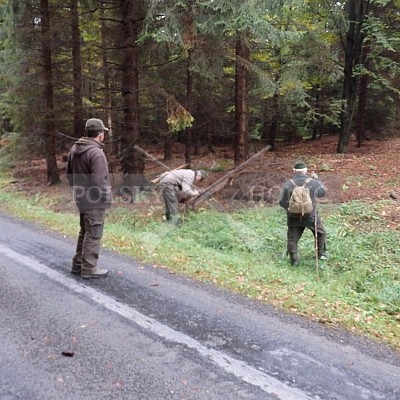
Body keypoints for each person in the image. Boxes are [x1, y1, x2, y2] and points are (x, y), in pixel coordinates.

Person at [66, 118, 111, 279]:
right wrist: (107, 198)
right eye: (103, 133)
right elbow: (100, 181)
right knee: (94, 232)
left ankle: (77, 265)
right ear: (100, 135)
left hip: (81, 198)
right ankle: (89, 268)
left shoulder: (74, 149)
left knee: (84, 231)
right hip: (94, 200)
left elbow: (69, 175)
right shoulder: (96, 153)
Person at [279, 160, 328, 267]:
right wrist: (317, 179)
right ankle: (321, 253)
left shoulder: (288, 184)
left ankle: (294, 260)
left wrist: (291, 209)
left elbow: (282, 203)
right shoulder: (313, 182)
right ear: (305, 171)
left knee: (293, 237)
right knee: (320, 233)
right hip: (311, 216)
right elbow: (322, 193)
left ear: (294, 171)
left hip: (293, 217)